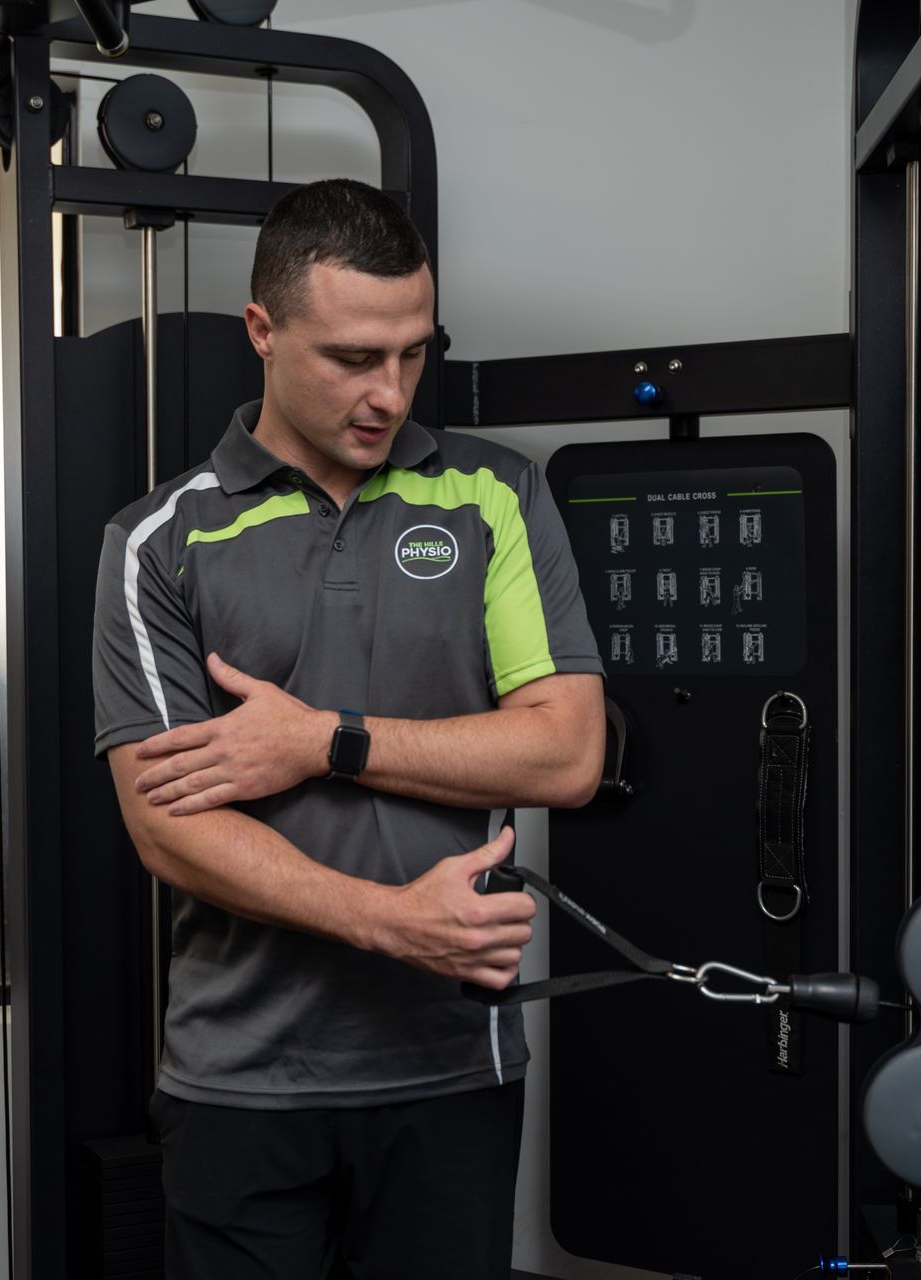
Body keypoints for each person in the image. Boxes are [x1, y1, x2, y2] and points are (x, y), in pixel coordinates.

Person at [92, 178, 605, 1277]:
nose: (390, 391)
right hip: (239, 1080)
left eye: (413, 353)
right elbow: (167, 825)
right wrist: (388, 919)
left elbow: (567, 749)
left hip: (448, 1070)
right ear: (263, 332)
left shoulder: (493, 496)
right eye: (353, 357)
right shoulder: (158, 541)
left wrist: (327, 737)